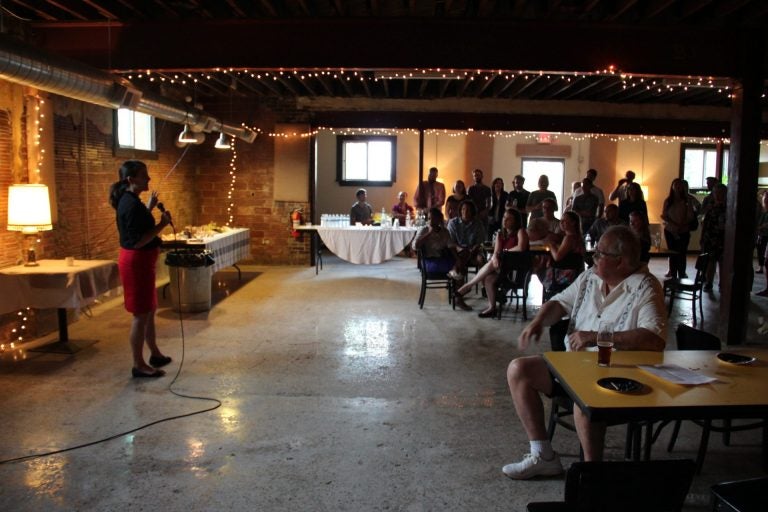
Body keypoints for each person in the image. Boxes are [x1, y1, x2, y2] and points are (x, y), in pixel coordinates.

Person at [503, 226, 667, 479]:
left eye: (599, 254)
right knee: (519, 369)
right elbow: (559, 302)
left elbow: (654, 339)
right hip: (574, 367)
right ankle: (543, 455)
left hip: (618, 377)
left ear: (620, 262)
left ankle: (592, 474)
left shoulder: (645, 288)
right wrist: (538, 321)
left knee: (584, 397)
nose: (594, 258)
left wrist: (596, 337)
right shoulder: (591, 277)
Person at [108, 160, 173, 378]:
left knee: (149, 309)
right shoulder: (130, 204)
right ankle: (139, 364)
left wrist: (150, 208)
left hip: (143, 263)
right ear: (131, 179)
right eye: (144, 175)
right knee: (140, 314)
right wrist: (162, 225)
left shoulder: (131, 200)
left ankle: (154, 353)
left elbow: (136, 224)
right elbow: (137, 240)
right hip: (136, 263)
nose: (149, 179)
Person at [455, 209, 529, 317]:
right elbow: (496, 252)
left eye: (509, 218)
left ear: (516, 221)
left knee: (492, 264)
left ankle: (467, 286)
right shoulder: (500, 234)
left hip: (516, 270)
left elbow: (521, 247)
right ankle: (492, 307)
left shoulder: (521, 231)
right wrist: (495, 257)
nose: (505, 220)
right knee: (488, 278)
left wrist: (504, 253)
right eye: (504, 217)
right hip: (502, 268)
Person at [447, 200, 487, 310]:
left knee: (481, 260)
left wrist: (474, 248)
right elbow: (451, 242)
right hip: (457, 252)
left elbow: (480, 242)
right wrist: (462, 249)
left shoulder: (478, 223)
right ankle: (460, 296)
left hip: (473, 252)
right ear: (460, 211)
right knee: (462, 256)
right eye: (463, 209)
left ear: (473, 212)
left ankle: (485, 288)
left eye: (468, 210)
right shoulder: (453, 222)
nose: (465, 212)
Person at [542, 211, 586, 300]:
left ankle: (551, 296)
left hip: (566, 276)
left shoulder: (569, 238)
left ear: (573, 223)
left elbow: (557, 257)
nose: (561, 223)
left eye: (564, 221)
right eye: (561, 220)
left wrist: (551, 245)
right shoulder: (579, 237)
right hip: (577, 273)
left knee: (539, 266)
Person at [661, 178, 697, 279]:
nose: (677, 187)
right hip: (670, 230)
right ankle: (673, 275)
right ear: (672, 186)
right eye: (675, 185)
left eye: (679, 185)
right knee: (672, 253)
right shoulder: (668, 201)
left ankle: (681, 274)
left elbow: (691, 215)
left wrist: (682, 224)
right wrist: (674, 224)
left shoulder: (687, 200)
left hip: (684, 230)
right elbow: (664, 215)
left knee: (682, 253)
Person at [413, 207, 459, 274]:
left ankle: (457, 281)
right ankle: (453, 273)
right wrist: (429, 234)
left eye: (434, 218)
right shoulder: (424, 230)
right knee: (452, 269)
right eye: (429, 218)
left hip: (442, 259)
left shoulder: (444, 232)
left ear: (439, 219)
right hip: (428, 261)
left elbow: (451, 246)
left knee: (458, 266)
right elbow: (415, 246)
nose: (431, 221)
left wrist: (458, 259)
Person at [700, 184, 727, 292]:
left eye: (720, 192)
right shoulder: (710, 207)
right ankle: (709, 282)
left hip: (722, 238)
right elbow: (705, 223)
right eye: (715, 192)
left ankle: (722, 284)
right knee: (710, 261)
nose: (717, 195)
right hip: (709, 237)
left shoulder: (728, 207)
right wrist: (702, 237)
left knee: (722, 261)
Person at [756, 191, 768, 275]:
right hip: (761, 234)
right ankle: (761, 266)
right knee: (760, 250)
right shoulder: (763, 210)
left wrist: (760, 227)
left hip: (765, 234)